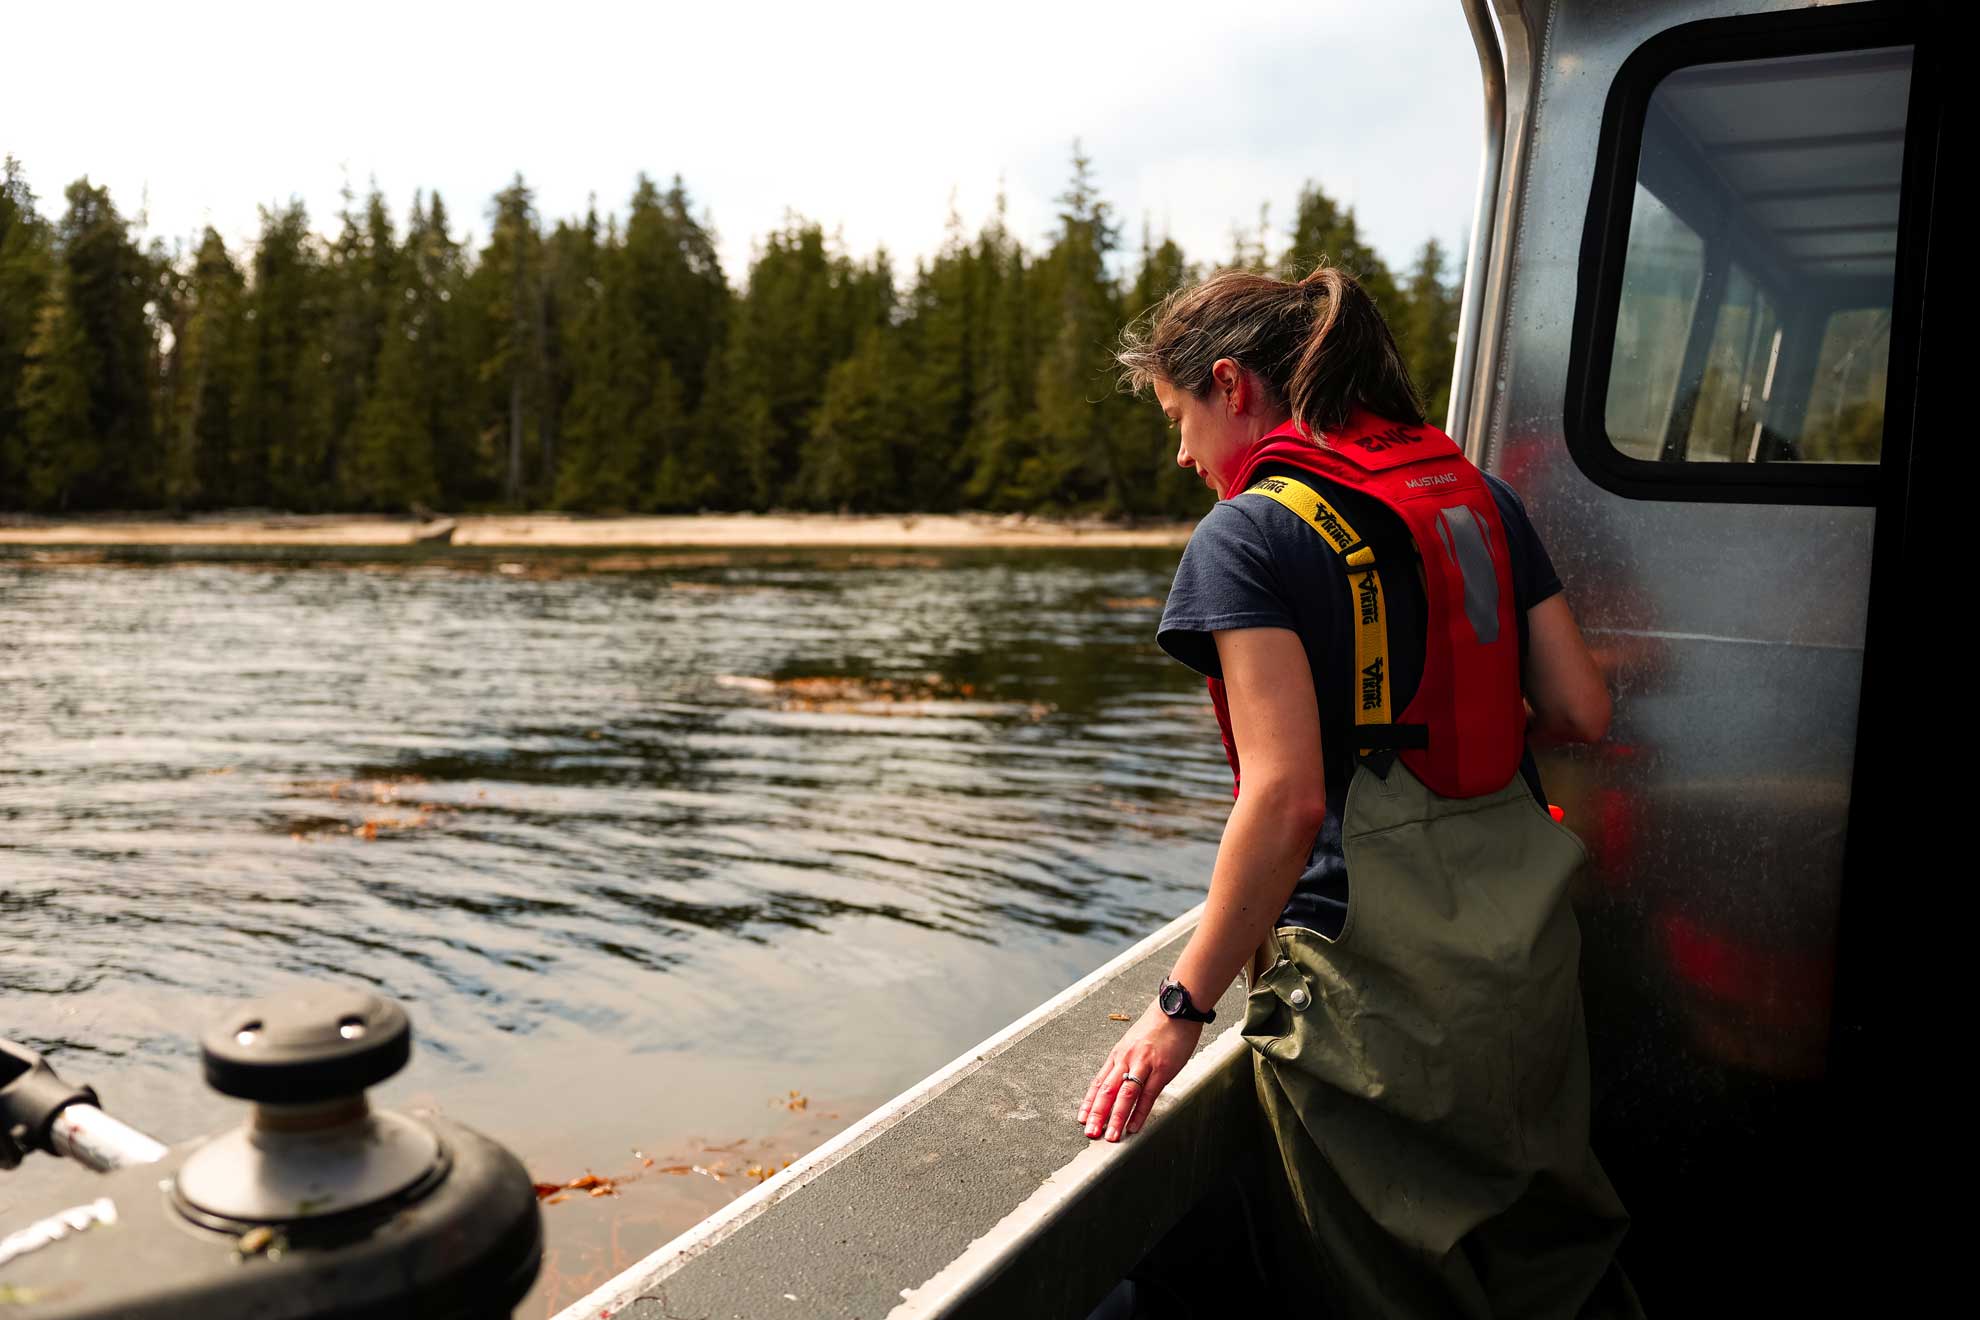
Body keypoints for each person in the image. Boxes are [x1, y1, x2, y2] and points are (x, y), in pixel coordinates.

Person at [1078, 266, 1639, 1317]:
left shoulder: (1245, 538)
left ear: (1233, 385)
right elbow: (1580, 711)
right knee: (1551, 1269)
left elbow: (1286, 801)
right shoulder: (1478, 498)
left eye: (1179, 417)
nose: (1185, 453)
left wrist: (1178, 1007)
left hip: (1381, 1001)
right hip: (1527, 965)